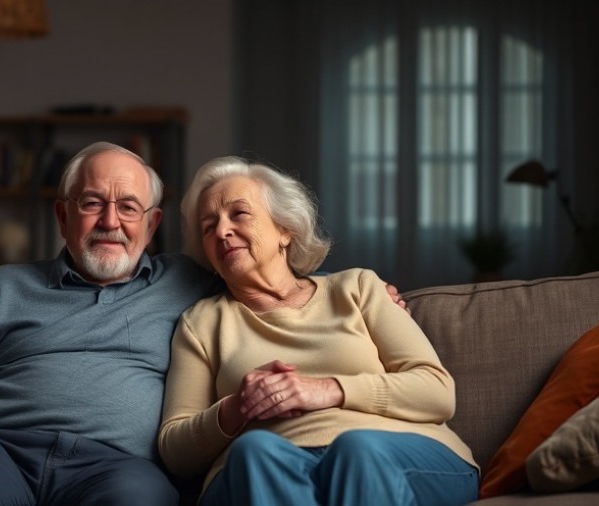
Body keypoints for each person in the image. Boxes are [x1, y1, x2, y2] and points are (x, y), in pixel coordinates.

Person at [0, 142, 406, 505]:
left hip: (116, 468)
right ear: (63, 216)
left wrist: (358, 296)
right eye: (92, 203)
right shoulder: (4, 286)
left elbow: (264, 268)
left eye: (129, 207)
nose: (111, 222)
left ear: (153, 224)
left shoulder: (189, 282)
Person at [157, 156, 479, 506]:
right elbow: (176, 449)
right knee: (254, 449)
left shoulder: (358, 288)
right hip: (266, 469)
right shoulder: (201, 322)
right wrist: (237, 407)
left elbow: (438, 392)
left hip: (392, 449)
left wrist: (328, 390)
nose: (221, 230)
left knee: (357, 448)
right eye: (209, 227)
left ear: (285, 230)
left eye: (239, 214)